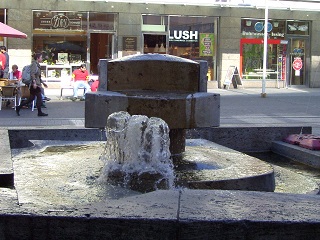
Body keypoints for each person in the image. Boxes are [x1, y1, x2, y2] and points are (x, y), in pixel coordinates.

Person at [16, 52, 48, 117]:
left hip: (36, 83)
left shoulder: (37, 64)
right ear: (37, 58)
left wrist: (43, 82)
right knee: (39, 97)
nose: (42, 59)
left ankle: (19, 107)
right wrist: (34, 82)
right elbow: (32, 74)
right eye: (41, 57)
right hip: (34, 84)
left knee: (31, 99)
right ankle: (39, 112)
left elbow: (38, 76)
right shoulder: (34, 64)